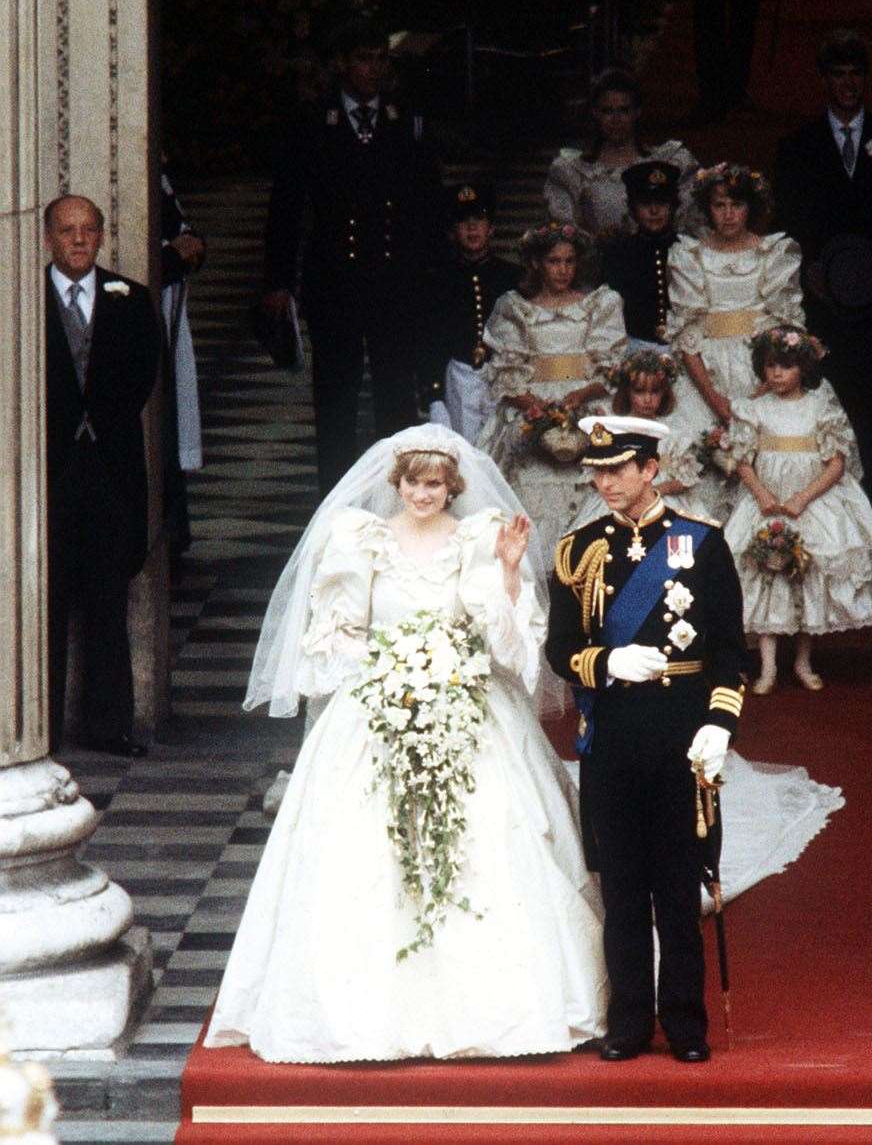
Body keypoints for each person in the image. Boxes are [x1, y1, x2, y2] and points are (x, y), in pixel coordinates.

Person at [205, 424, 608, 1062]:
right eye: (415, 483)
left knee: (495, 837)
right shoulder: (357, 539)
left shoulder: (478, 539)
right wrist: (388, 675)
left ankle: (494, 1006)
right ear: (397, 483)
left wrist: (506, 573)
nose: (424, 494)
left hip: (466, 699)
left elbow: (503, 640)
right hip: (376, 701)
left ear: (453, 488)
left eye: (436, 484)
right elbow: (336, 634)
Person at [546, 415, 745, 1063]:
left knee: (677, 887)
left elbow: (729, 651)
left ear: (650, 469)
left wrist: (719, 724)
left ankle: (685, 1022)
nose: (603, 482)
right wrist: (604, 664)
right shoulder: (577, 549)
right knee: (624, 887)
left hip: (682, 738)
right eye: (596, 471)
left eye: (616, 469)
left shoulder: (701, 543)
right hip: (612, 740)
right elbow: (561, 648)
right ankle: (628, 1021)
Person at [261, 17, 442, 494]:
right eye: (362, 58)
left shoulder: (407, 120)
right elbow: (287, 207)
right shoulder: (313, 121)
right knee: (336, 401)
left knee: (397, 399)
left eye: (380, 57)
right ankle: (336, 507)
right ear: (342, 64)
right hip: (335, 284)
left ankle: (403, 503)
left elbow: (429, 204)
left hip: (394, 283)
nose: (372, 68)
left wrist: (431, 277)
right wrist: (279, 281)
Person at [773, 30, 872, 510]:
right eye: (838, 74)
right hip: (821, 308)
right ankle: (825, 511)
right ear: (824, 79)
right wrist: (809, 272)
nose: (848, 84)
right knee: (820, 407)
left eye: (855, 74)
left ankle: (869, 511)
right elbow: (784, 221)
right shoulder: (797, 146)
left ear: (866, 77)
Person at [44, 195, 161, 757]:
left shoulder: (131, 299)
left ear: (102, 236)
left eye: (88, 230)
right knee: (46, 599)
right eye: (67, 231)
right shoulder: (20, 298)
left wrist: (102, 419)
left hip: (111, 470)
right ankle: (38, 730)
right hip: (48, 473)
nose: (79, 240)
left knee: (108, 601)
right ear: (48, 238)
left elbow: (146, 369)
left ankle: (109, 726)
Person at [726, 328, 872, 693]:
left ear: (803, 368)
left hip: (810, 502)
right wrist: (761, 494)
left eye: (786, 367)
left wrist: (802, 499)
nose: (777, 374)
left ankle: (804, 661)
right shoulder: (752, 408)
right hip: (768, 502)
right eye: (771, 366)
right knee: (765, 577)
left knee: (809, 577)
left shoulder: (821, 405)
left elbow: (836, 462)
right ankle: (768, 666)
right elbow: (742, 459)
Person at [477, 222, 627, 564]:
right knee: (531, 483)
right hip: (534, 403)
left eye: (569, 261)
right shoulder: (516, 307)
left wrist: (579, 397)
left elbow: (611, 367)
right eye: (553, 261)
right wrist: (537, 408)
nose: (562, 270)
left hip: (584, 403)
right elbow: (505, 373)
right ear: (537, 264)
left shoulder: (598, 304)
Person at [666, 163, 803, 521]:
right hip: (704, 372)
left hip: (761, 369)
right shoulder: (689, 255)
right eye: (719, 205)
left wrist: (759, 390)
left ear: (751, 208)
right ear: (707, 208)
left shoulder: (773, 253)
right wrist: (715, 399)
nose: (728, 215)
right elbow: (687, 334)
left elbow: (783, 331)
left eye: (737, 205)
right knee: (699, 459)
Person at [544, 69, 698, 240]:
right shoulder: (573, 170)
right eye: (607, 111)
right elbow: (566, 232)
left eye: (624, 110)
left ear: (637, 112)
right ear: (595, 112)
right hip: (598, 263)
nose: (616, 119)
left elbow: (689, 221)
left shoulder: (670, 163)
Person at [420, 181, 519, 443]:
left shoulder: (512, 277)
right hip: (459, 377)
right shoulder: (438, 279)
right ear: (452, 231)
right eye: (463, 221)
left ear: (492, 229)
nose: (472, 227)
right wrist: (434, 395)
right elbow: (429, 341)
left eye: (479, 219)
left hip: (502, 378)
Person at [573, 352, 712, 527]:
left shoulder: (675, 434)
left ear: (664, 393)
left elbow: (686, 478)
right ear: (627, 392)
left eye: (655, 392)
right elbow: (595, 476)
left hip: (664, 500)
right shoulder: (613, 430)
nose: (647, 399)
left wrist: (657, 491)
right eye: (639, 391)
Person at [159, 158, 207, 558]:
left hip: (170, 309)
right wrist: (173, 256)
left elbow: (179, 225)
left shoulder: (159, 175)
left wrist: (190, 245)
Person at [599, 160, 683, 353]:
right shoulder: (617, 253)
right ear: (632, 208)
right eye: (645, 203)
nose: (654, 211)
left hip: (682, 346)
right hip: (634, 348)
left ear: (673, 206)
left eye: (661, 203)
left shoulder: (688, 249)